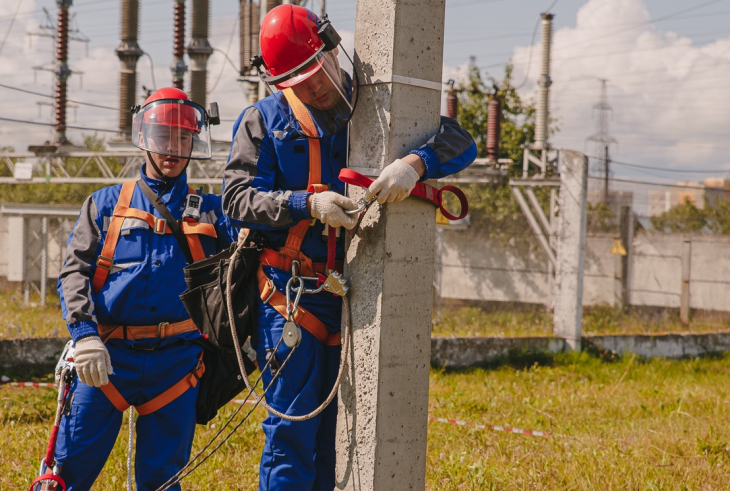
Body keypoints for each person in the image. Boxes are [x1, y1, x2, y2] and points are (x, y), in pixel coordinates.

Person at [222, 5, 477, 491]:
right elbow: (235, 199)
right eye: (296, 82)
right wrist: (306, 204)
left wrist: (417, 164)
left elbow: (461, 141)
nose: (313, 88)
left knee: (339, 440)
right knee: (291, 434)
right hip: (290, 297)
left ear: (330, 49)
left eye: (316, 73)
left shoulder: (373, 103)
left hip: (354, 297)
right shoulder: (266, 120)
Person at [54, 87, 235, 491]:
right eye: (162, 137)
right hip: (105, 360)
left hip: (177, 365)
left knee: (161, 480)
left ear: (194, 141)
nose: (172, 148)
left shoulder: (212, 212)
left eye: (183, 138)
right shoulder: (104, 205)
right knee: (66, 472)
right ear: (143, 138)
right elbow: (74, 273)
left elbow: (252, 246)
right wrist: (84, 336)